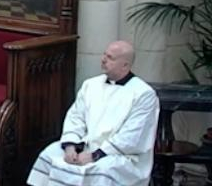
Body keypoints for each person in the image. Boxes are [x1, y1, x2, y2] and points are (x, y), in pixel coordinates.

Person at [27, 41, 160, 186]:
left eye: (110, 58)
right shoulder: (91, 85)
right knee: (49, 154)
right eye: (104, 54)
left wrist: (95, 155)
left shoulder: (143, 94)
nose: (103, 59)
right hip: (85, 146)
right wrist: (71, 146)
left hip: (121, 155)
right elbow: (76, 117)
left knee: (102, 171)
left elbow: (132, 136)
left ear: (125, 65)